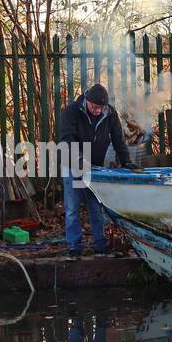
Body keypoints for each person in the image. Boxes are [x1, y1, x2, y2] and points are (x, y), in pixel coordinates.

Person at [56, 84, 138, 259]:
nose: (97, 110)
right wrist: (79, 160)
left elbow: (118, 139)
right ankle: (74, 246)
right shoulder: (72, 111)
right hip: (72, 164)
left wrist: (127, 162)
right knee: (72, 207)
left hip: (94, 166)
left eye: (100, 108)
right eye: (94, 107)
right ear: (86, 100)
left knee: (96, 206)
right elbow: (66, 139)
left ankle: (100, 244)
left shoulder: (110, 114)